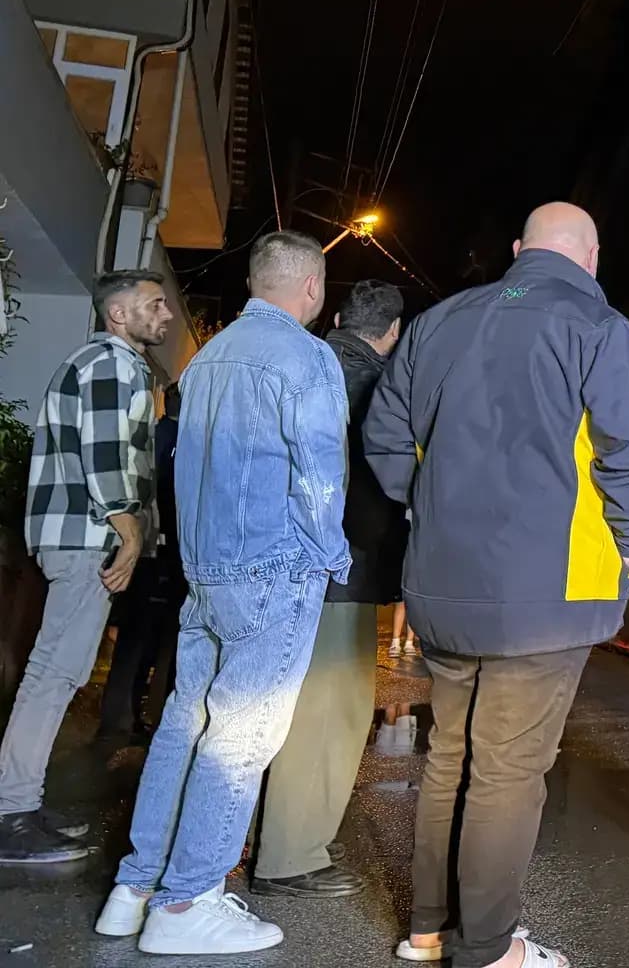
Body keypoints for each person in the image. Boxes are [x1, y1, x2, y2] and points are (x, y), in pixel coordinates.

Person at [364, 203, 629, 968]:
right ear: (591, 259)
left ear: (516, 250)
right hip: (547, 595)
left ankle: (430, 929)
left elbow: (384, 434)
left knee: (451, 755)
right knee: (507, 770)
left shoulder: (437, 324)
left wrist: (426, 506)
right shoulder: (599, 329)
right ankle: (488, 949)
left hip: (442, 583)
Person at [96, 231, 350, 954]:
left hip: (206, 573)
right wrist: (329, 554)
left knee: (185, 724)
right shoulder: (307, 356)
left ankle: (135, 888)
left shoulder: (206, 360)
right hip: (273, 568)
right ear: (311, 287)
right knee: (240, 739)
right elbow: (320, 472)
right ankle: (188, 902)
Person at [0, 271, 170, 865]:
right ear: (118, 314)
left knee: (56, 672)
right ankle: (11, 812)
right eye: (155, 304)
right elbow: (105, 457)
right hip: (86, 536)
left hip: (79, 533)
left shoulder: (105, 364)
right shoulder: (111, 364)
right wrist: (130, 533)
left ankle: (18, 803)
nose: (166, 313)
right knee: (54, 674)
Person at [253, 279, 408, 899]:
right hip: (341, 569)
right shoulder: (376, 387)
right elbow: (369, 491)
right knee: (329, 711)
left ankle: (287, 833)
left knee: (287, 703)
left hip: (277, 560)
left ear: (339, 318)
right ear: (393, 332)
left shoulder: (300, 364)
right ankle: (291, 854)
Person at [96, 382, 187, 748]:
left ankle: (117, 717)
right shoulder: (181, 441)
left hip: (142, 548)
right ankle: (137, 719)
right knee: (156, 642)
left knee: (134, 638)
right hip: (164, 551)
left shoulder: (151, 434)